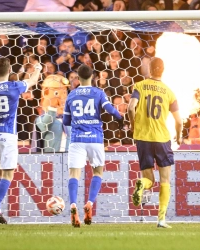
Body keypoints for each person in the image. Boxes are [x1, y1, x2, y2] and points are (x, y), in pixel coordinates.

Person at [0, 57, 42, 225]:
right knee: (8, 174)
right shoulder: (15, 86)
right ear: (9, 70)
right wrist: (38, 67)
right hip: (8, 136)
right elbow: (34, 80)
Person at [63, 64, 123, 227]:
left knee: (74, 174)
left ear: (78, 78)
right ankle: (89, 203)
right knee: (97, 172)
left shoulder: (72, 95)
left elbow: (66, 121)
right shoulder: (98, 92)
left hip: (77, 139)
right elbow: (110, 109)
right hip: (95, 138)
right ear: (93, 77)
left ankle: (73, 205)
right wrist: (120, 119)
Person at [128, 57, 182, 228]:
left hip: (143, 137)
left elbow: (130, 107)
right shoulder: (169, 92)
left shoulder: (139, 86)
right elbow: (179, 121)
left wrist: (133, 124)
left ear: (149, 70)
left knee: (149, 180)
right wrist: (179, 136)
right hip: (162, 139)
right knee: (165, 179)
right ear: (163, 71)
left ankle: (141, 184)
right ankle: (161, 220)